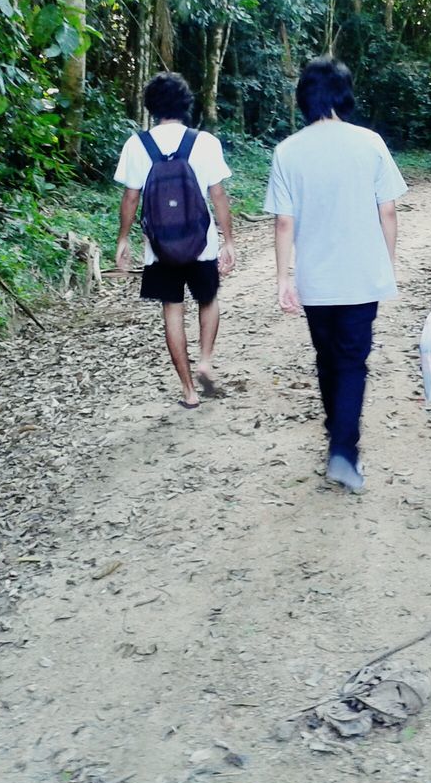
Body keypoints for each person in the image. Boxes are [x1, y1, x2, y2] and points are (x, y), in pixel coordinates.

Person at [265, 57, 407, 491]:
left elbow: (284, 222)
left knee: (327, 357)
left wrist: (283, 279)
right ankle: (343, 448)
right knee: (351, 361)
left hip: (317, 277)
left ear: (304, 98)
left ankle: (337, 435)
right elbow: (388, 210)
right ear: (343, 95)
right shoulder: (370, 143)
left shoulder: (288, 150)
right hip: (361, 275)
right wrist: (387, 260)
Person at [114, 72, 236, 409]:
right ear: (186, 104)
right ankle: (206, 361)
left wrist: (123, 240)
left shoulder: (137, 144)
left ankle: (188, 391)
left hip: (159, 247)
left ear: (151, 107)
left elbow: (130, 198)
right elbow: (219, 195)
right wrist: (228, 240)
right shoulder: (205, 142)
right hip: (202, 243)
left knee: (173, 310)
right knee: (208, 299)